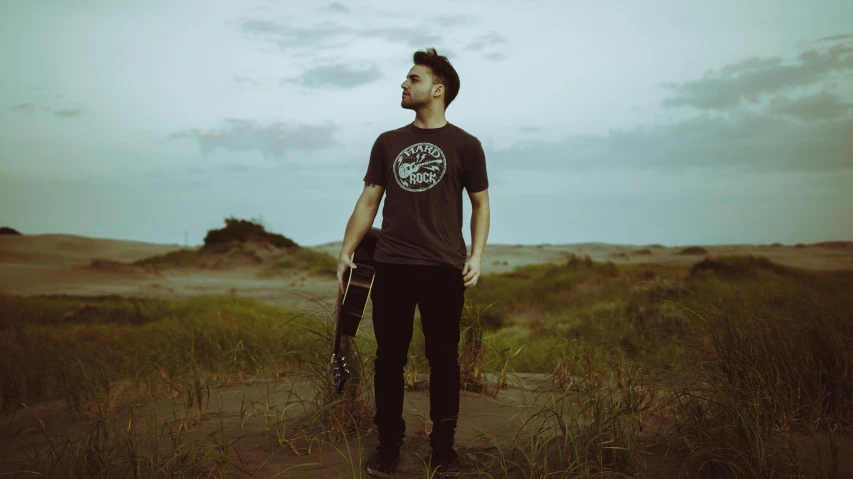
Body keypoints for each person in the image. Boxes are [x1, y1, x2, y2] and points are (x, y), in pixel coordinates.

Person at [336, 47, 490, 478]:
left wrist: (475, 256)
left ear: (437, 90)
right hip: (393, 266)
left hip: (444, 268)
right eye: (405, 79)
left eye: (413, 79)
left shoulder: (466, 145)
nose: (403, 85)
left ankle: (444, 447)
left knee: (444, 359)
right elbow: (369, 201)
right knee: (390, 358)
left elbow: (480, 205)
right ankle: (389, 444)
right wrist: (347, 250)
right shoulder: (388, 142)